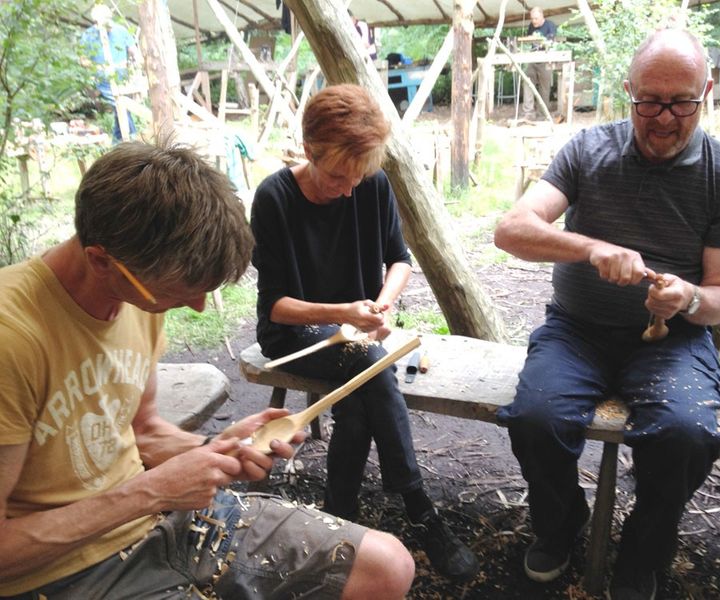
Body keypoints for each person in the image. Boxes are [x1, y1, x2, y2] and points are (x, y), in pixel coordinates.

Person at [0, 141, 415, 600]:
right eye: (179, 292)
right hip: (64, 574)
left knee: (386, 566)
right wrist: (151, 493)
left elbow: (142, 431)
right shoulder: (12, 338)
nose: (196, 307)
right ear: (101, 260)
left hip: (163, 522)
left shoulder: (135, 292)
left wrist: (219, 447)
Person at [494, 29, 720, 599]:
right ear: (628, 92)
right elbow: (511, 230)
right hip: (576, 330)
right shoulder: (588, 151)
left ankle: (643, 551)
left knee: (685, 433)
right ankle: (564, 527)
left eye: (681, 101)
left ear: (705, 91)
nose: (663, 117)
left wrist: (685, 298)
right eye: (648, 101)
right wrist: (588, 247)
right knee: (537, 418)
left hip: (673, 341)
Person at [250, 84, 479, 583]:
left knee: (357, 402)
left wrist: (383, 302)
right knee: (367, 363)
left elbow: (400, 259)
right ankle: (418, 505)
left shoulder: (369, 183)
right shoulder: (274, 198)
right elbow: (276, 307)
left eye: (360, 175)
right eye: (338, 175)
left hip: (355, 336)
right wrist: (341, 311)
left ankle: (340, 515)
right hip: (295, 337)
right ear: (310, 151)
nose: (350, 188)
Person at [79, 4, 139, 142]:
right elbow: (83, 60)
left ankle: (118, 140)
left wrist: (137, 62)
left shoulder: (121, 30)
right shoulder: (89, 35)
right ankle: (131, 136)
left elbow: (133, 50)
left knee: (122, 107)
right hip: (103, 77)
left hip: (123, 75)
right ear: (96, 20)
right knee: (119, 103)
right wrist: (99, 67)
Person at [521, 6, 557, 121]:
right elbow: (529, 40)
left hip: (546, 59)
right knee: (527, 81)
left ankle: (542, 114)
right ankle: (528, 113)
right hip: (533, 58)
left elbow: (551, 40)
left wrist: (543, 43)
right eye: (532, 19)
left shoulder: (550, 25)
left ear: (542, 16)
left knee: (544, 88)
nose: (533, 21)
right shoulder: (531, 26)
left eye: (536, 18)